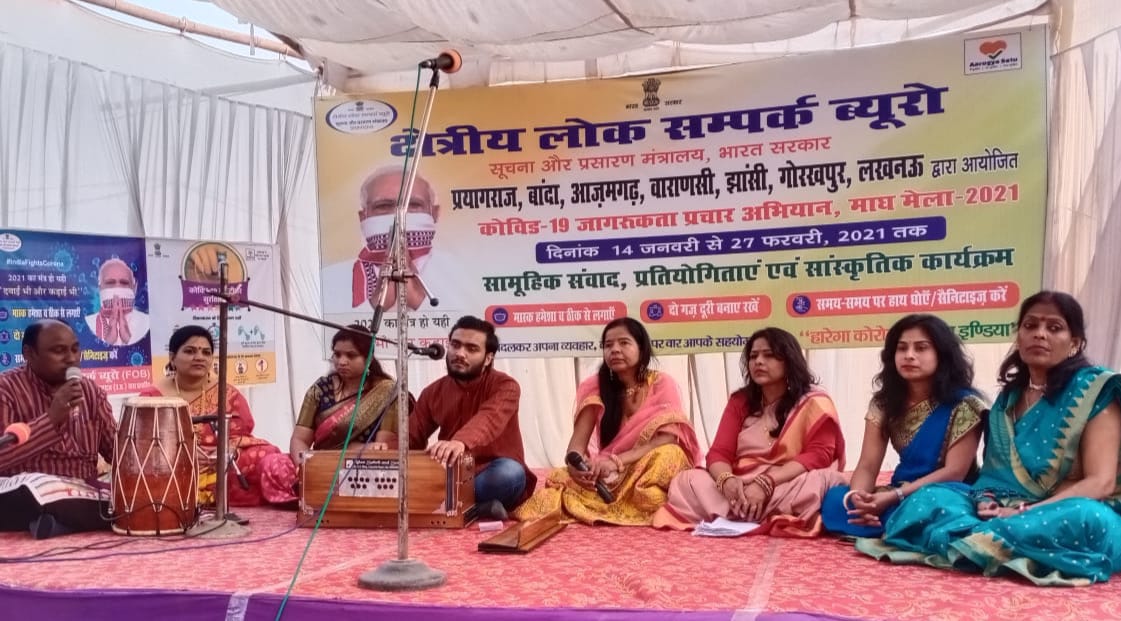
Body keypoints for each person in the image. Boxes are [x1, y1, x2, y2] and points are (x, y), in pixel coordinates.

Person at [857, 292, 1121, 585]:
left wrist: (1023, 512)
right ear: (1018, 336)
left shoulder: (1095, 391)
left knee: (1087, 519)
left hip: (1067, 510)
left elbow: (1101, 483)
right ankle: (993, 542)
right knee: (931, 498)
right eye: (1030, 326)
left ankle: (975, 542)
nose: (1039, 334)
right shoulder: (1008, 400)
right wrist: (987, 501)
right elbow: (993, 476)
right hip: (1007, 510)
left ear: (1075, 343)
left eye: (1054, 327)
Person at [653, 327, 846, 536]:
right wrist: (726, 480)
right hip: (741, 482)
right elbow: (719, 452)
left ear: (789, 361)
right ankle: (752, 508)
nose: (758, 362)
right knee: (687, 480)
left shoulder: (815, 402)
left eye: (769, 355)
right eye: (753, 356)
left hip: (786, 480)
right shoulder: (740, 401)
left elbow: (819, 455)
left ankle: (738, 512)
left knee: (822, 481)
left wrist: (767, 482)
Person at [514, 317, 702, 525]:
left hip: (645, 465)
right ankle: (619, 501)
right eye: (608, 345)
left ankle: (630, 500)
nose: (615, 350)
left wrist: (617, 462)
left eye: (624, 343)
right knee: (560, 478)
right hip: (607, 474)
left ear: (642, 349)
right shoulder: (595, 387)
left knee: (670, 454)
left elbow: (666, 439)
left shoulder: (661, 383)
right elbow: (576, 446)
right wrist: (577, 467)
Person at [821, 314, 987, 538]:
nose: (909, 355)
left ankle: (894, 523)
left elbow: (954, 472)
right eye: (902, 348)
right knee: (835, 499)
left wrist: (893, 497)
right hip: (900, 491)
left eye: (921, 348)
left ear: (941, 354)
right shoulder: (884, 403)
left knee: (932, 505)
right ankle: (887, 522)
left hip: (947, 492)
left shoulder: (965, 405)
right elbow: (868, 465)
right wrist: (859, 500)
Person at [258, 325, 411, 504]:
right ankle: (307, 496)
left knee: (374, 474)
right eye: (337, 354)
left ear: (369, 358)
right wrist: (304, 466)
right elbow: (299, 439)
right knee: (272, 463)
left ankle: (313, 497)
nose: (342, 361)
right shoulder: (320, 389)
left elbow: (383, 447)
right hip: (320, 466)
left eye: (351, 355)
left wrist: (354, 451)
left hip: (360, 467)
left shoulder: (388, 392)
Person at [408, 315, 535, 520]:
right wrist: (386, 447)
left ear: (488, 358)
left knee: (510, 474)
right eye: (455, 345)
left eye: (472, 349)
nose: (460, 353)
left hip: (490, 472)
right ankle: (477, 508)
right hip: (451, 472)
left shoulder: (506, 386)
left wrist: (460, 441)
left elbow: (489, 419)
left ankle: (448, 501)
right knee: (411, 471)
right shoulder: (433, 392)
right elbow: (411, 436)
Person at [139, 325, 280, 507]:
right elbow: (142, 444)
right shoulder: (152, 397)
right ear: (172, 357)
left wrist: (229, 452)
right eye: (190, 351)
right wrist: (184, 455)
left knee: (267, 454)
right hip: (173, 464)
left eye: (206, 352)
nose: (199, 357)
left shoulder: (226, 393)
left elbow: (241, 435)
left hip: (219, 463)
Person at [0, 320, 116, 538]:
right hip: (29, 490)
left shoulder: (91, 391)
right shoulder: (5, 389)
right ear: (29, 354)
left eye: (75, 349)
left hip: (81, 492)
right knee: (35, 492)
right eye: (58, 351)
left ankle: (59, 523)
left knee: (133, 498)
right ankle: (78, 519)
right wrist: (52, 418)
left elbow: (118, 452)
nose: (71, 359)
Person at [320, 166, 440, 312]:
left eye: (413, 204)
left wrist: (411, 287)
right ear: (363, 217)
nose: (398, 216)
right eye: (383, 206)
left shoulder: (458, 271)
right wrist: (380, 296)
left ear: (434, 213)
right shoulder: (328, 280)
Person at [83, 258, 150, 346]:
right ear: (100, 288)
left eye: (124, 283)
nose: (117, 288)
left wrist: (128, 338)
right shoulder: (88, 324)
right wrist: (109, 340)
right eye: (110, 283)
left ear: (134, 288)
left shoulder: (147, 323)